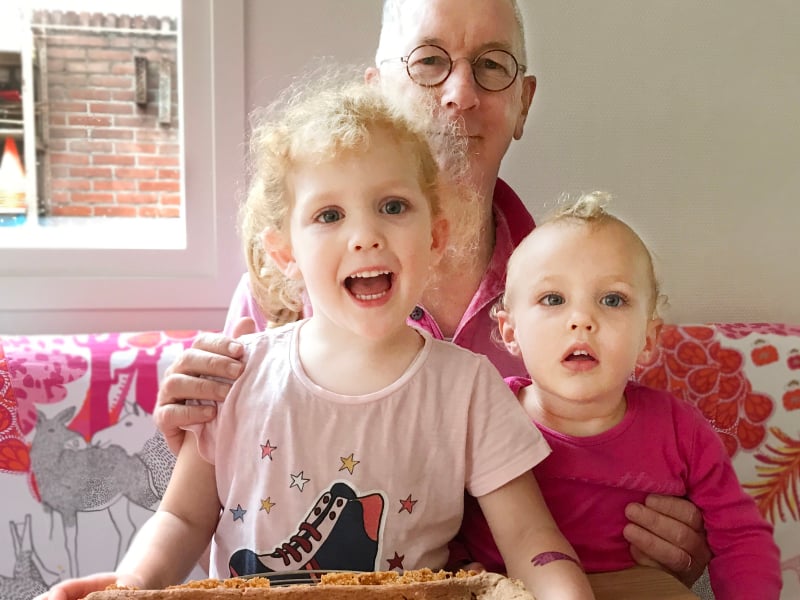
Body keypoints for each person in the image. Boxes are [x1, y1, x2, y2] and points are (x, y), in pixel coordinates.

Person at [153, 0, 712, 587]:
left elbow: (622, 476)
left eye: (492, 66)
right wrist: (183, 426)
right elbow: (198, 512)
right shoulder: (273, 297)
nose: (461, 94)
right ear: (377, 92)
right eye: (428, 62)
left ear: (523, 102)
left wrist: (685, 540)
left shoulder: (582, 288)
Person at [36, 79, 594, 600]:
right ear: (285, 252)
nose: (365, 235)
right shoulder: (235, 375)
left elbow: (530, 542)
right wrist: (129, 586)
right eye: (329, 214)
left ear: (436, 235)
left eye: (393, 206)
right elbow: (181, 520)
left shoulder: (469, 386)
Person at [456, 192, 781, 599]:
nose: (582, 320)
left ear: (648, 338)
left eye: (612, 300)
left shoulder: (681, 431)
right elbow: (435, 517)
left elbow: (741, 537)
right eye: (553, 299)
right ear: (510, 332)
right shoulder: (485, 417)